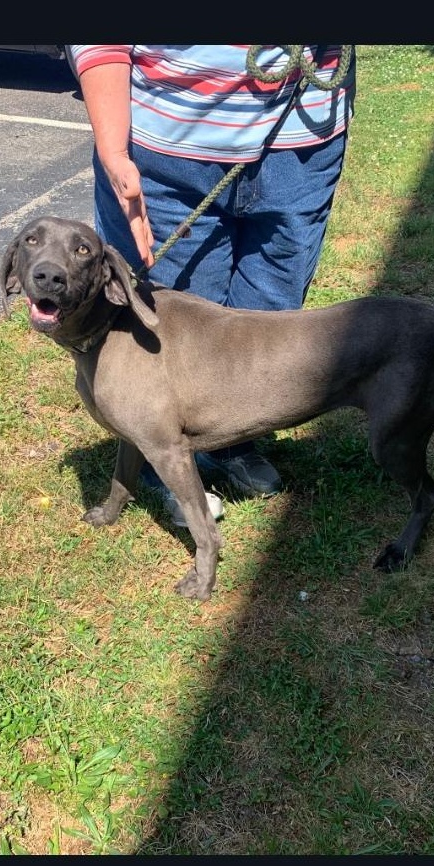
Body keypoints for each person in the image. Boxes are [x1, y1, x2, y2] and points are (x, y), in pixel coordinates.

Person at [68, 44, 356, 525]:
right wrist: (115, 152)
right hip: (166, 146)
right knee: (163, 337)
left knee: (267, 317)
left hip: (302, 139)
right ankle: (169, 468)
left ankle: (232, 442)